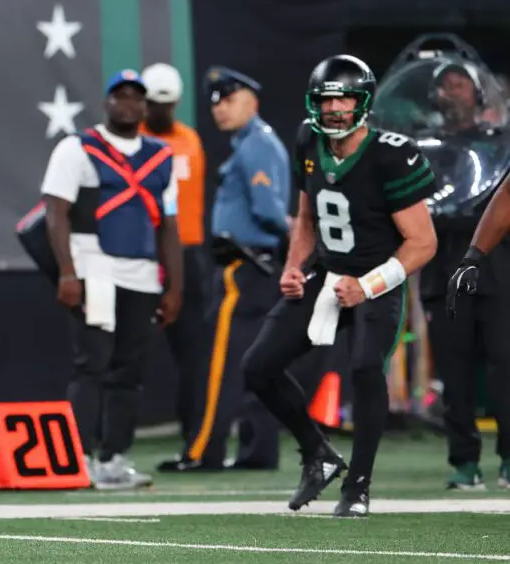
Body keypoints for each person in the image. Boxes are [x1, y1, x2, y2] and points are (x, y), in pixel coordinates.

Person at [240, 54, 437, 517]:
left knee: (367, 367)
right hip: (327, 274)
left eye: (345, 98)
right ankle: (317, 453)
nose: (335, 109)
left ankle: (359, 487)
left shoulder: (391, 153)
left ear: (363, 101)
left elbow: (422, 243)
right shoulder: (309, 139)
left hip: (377, 278)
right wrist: (294, 266)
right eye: (327, 100)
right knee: (258, 367)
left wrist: (367, 286)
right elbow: (307, 216)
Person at [41, 69, 183, 490]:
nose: (129, 104)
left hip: (141, 275)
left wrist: (176, 287)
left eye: (136, 98)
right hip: (95, 268)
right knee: (93, 365)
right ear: (106, 103)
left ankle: (114, 459)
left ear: (146, 105)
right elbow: (55, 213)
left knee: (129, 370)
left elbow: (169, 227)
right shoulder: (77, 148)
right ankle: (78, 457)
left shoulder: (160, 156)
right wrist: (67, 272)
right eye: (120, 97)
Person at [160, 66, 289, 473]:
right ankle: (259, 450)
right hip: (255, 266)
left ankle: (205, 450)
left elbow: (270, 211)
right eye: (215, 101)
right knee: (255, 364)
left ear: (252, 100)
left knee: (221, 366)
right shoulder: (251, 143)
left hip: (243, 266)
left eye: (229, 99)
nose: (219, 108)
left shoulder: (256, 145)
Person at [137, 63, 210, 454]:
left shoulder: (191, 140)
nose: (161, 111)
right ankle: (109, 438)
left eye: (167, 104)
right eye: (155, 104)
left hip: (186, 253)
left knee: (194, 354)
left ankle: (195, 437)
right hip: (143, 254)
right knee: (125, 349)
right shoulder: (135, 141)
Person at [444, 122, 510, 489]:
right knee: (455, 371)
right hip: (450, 264)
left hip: (501, 274)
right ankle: (464, 460)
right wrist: (472, 256)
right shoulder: (428, 144)